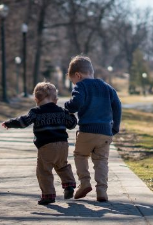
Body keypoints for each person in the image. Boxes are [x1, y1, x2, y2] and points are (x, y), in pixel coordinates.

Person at [2, 82, 77, 205]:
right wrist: (71, 114)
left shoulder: (36, 112)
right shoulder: (61, 111)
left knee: (44, 171)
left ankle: (48, 195)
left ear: (36, 99)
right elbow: (72, 124)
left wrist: (10, 123)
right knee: (62, 165)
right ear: (56, 100)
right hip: (63, 145)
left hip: (46, 146)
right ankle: (69, 185)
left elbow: (23, 122)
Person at [65, 55, 122, 202]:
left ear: (78, 75)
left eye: (73, 81)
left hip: (87, 131)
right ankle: (102, 191)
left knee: (80, 155)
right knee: (101, 160)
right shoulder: (107, 87)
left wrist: (67, 106)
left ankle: (84, 182)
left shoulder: (81, 86)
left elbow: (76, 104)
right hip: (105, 132)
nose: (74, 83)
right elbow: (117, 106)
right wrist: (115, 127)